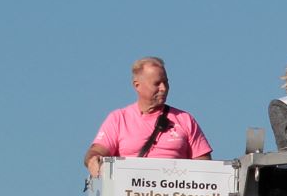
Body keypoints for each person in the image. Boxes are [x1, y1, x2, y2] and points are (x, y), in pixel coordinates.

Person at [84, 56, 214, 177]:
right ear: (137, 85)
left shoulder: (185, 119)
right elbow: (97, 151)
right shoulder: (118, 119)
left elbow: (204, 166)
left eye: (165, 82)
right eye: (157, 83)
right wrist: (93, 160)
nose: (163, 88)